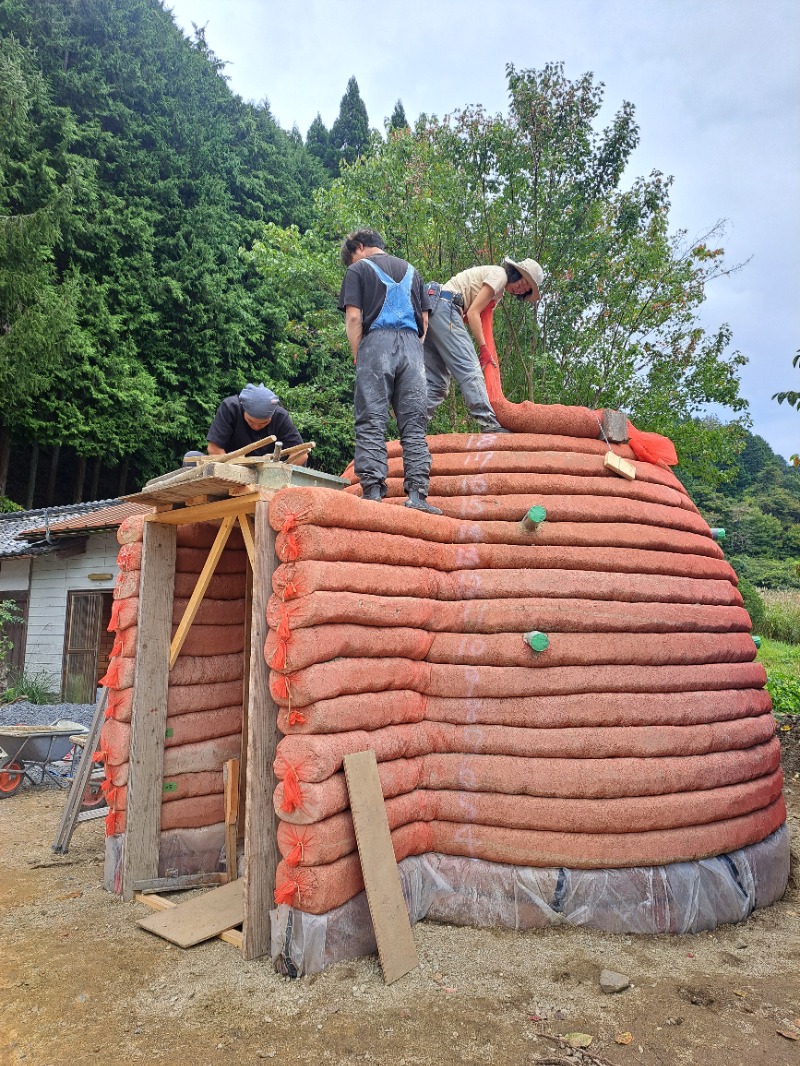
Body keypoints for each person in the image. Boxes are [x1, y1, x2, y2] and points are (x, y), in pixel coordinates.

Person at [338, 228, 441, 514]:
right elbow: (424, 320)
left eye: (351, 258)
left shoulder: (358, 270)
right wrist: (412, 350)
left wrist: (359, 353)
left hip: (376, 344)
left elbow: (354, 316)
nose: (352, 263)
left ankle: (372, 491)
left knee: (371, 419)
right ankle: (418, 495)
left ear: (358, 247)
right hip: (411, 348)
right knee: (414, 424)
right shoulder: (413, 272)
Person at [424, 257, 544, 431]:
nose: (520, 290)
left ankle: (411, 426)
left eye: (525, 290)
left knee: (437, 384)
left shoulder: (498, 293)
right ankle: (489, 425)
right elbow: (473, 313)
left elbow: (476, 316)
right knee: (470, 369)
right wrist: (483, 349)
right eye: (523, 283)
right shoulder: (500, 275)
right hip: (446, 306)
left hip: (434, 310)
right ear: (516, 273)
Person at [206, 382, 306, 464]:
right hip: (232, 466)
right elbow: (214, 449)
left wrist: (280, 472)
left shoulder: (281, 417)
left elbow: (301, 453)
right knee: (191, 456)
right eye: (250, 421)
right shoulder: (230, 408)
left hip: (269, 469)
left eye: (264, 423)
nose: (256, 427)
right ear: (243, 409)